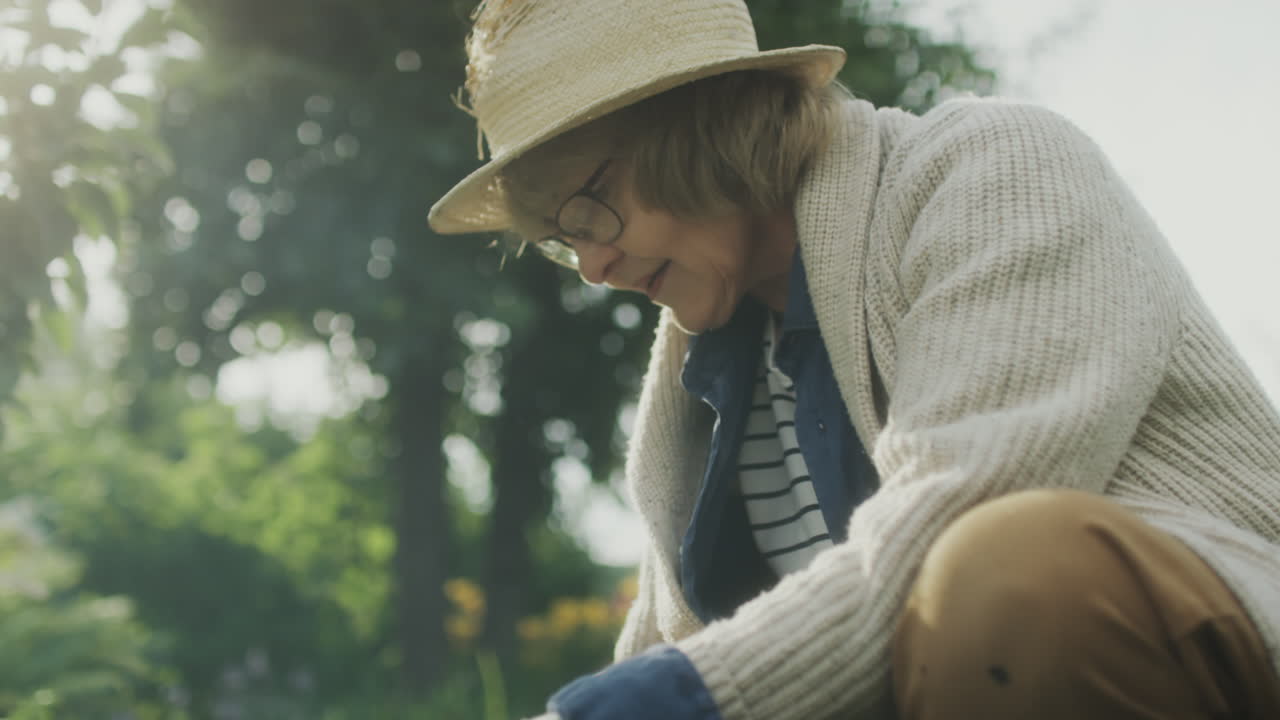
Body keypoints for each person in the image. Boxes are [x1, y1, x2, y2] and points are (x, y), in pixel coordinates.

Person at [428, 1, 1280, 718]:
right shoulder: (698, 371)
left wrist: (678, 699)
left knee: (1005, 573)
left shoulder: (999, 170)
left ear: (702, 121)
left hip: (1196, 654)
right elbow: (667, 645)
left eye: (589, 208)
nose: (592, 265)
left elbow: (959, 508)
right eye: (559, 239)